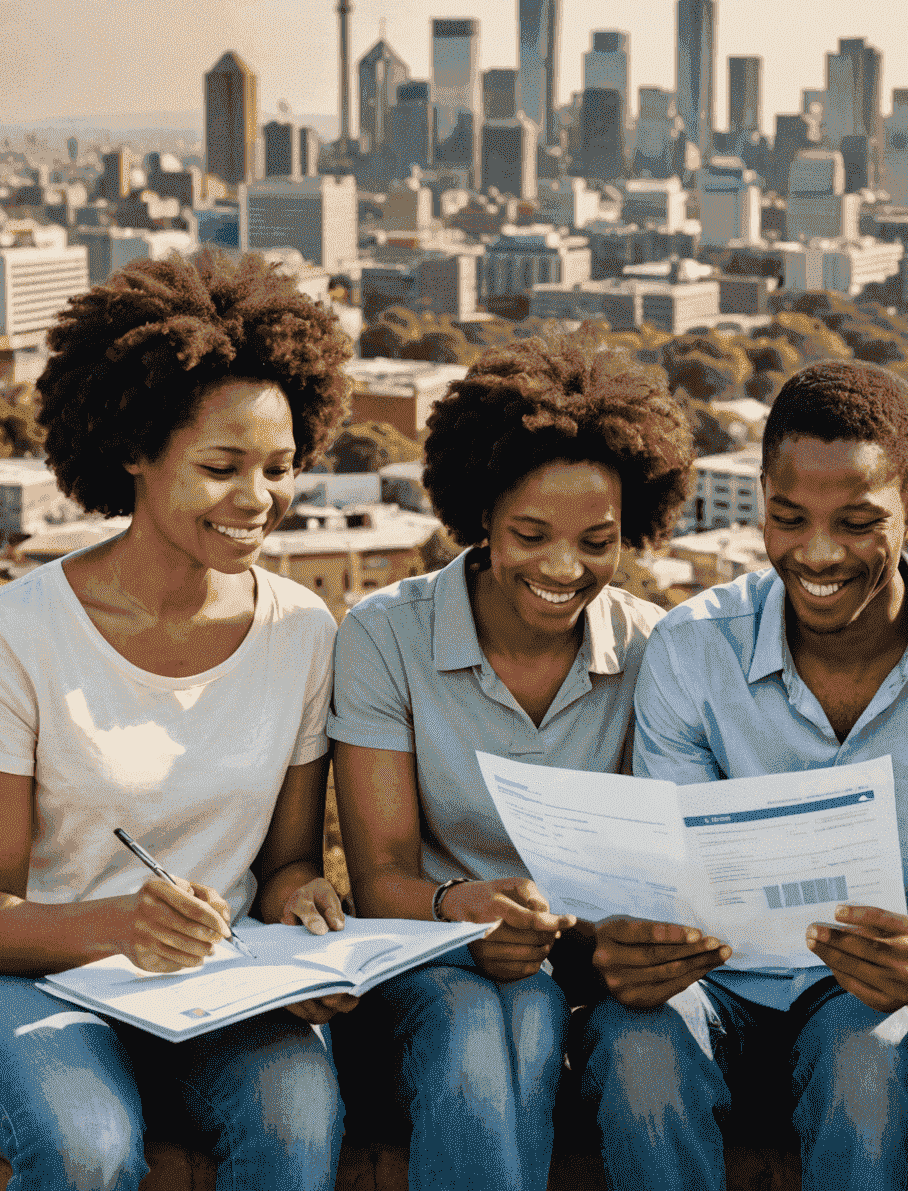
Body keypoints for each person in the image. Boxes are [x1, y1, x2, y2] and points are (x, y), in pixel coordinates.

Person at [0, 251, 357, 1191]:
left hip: (205, 994)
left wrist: (304, 908)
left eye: (279, 468)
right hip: (3, 990)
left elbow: (282, 867)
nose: (258, 500)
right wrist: (123, 924)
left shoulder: (302, 631)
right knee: (87, 1146)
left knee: (300, 1116)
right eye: (220, 467)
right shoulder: (17, 633)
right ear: (133, 450)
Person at [577, 359, 908, 1191]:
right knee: (636, 1049)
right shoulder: (694, 650)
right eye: (788, 516)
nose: (818, 552)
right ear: (762, 497)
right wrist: (627, 948)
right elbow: (667, 881)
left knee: (867, 1065)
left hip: (864, 997)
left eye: (857, 520)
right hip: (711, 984)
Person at [327, 335, 695, 1191]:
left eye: (597, 541)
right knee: (481, 1030)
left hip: (589, 967)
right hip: (429, 951)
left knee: (535, 1016)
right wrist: (464, 908)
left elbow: (657, 869)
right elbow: (380, 877)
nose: (564, 569)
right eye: (531, 534)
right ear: (482, 515)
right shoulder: (387, 637)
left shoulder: (652, 649)